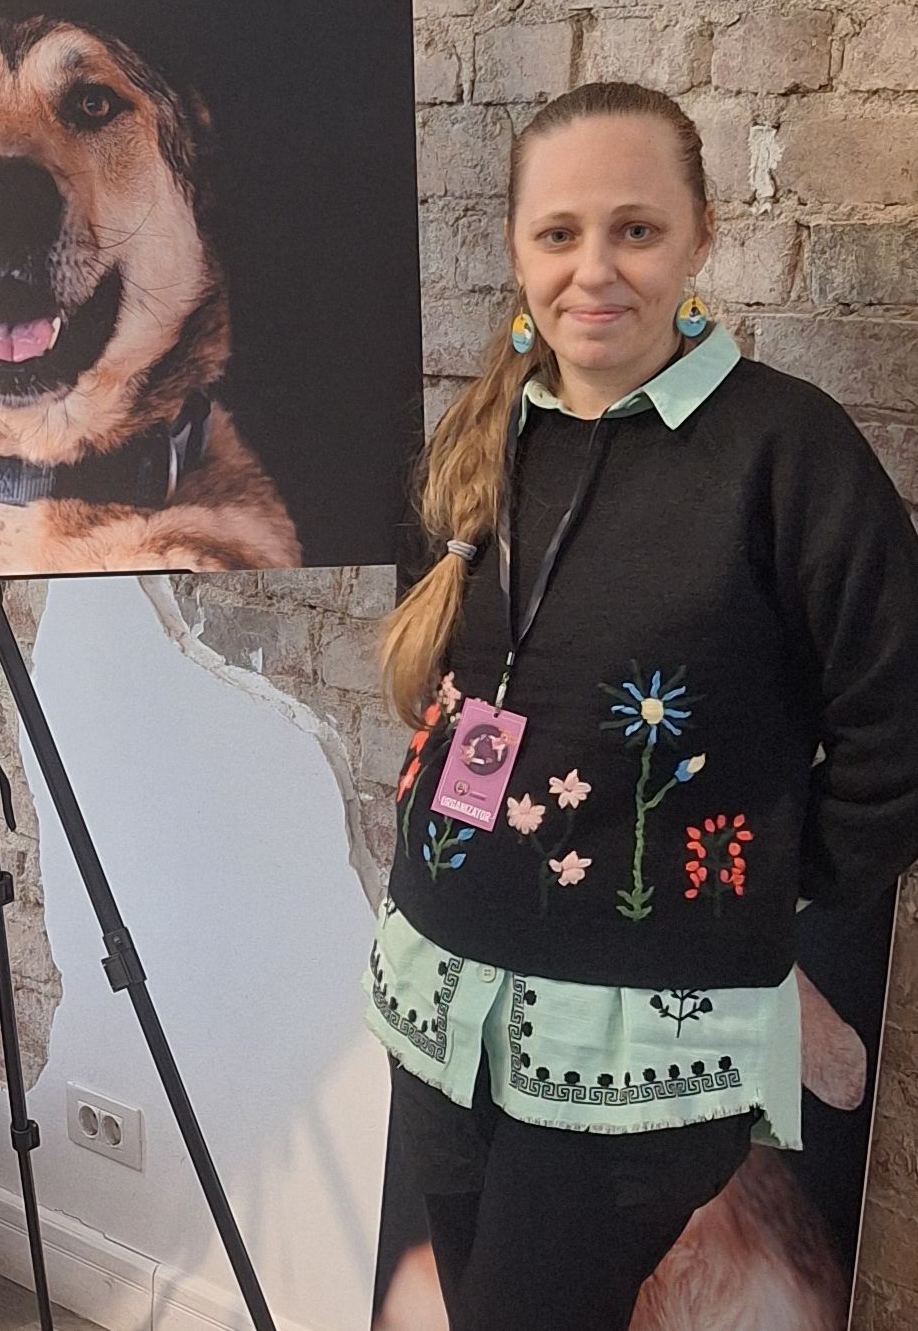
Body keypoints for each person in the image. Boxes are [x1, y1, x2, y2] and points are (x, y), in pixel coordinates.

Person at [368, 80, 918, 1331]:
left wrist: (767, 881)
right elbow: (457, 696)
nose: (595, 270)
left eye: (637, 230)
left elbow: (898, 723)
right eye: (559, 234)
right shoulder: (479, 440)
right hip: (444, 1005)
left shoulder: (787, 451)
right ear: (515, 246)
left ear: (702, 238)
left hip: (635, 1047)